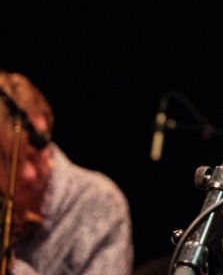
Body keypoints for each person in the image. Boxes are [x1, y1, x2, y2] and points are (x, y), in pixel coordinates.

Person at [0, 71, 134, 275]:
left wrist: (11, 265)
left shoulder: (99, 202)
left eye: (36, 154)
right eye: (11, 161)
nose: (28, 173)